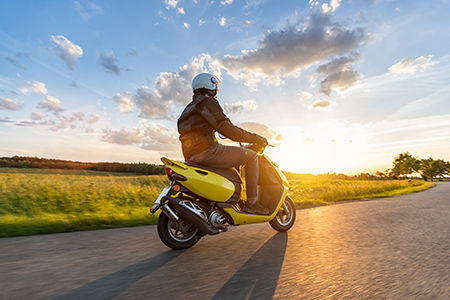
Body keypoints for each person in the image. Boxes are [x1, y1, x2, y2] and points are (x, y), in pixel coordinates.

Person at [177, 73, 269, 215]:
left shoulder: (189, 108)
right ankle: (252, 203)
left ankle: (233, 200)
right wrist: (255, 138)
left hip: (190, 155)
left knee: (233, 162)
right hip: (207, 152)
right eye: (215, 86)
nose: (216, 90)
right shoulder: (207, 102)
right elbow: (227, 129)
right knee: (251, 157)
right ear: (209, 85)